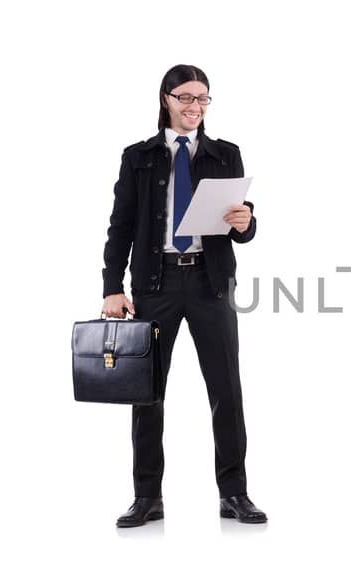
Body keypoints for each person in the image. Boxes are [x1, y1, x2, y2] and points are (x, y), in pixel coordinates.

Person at [100, 64, 265, 527]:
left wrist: (246, 222)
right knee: (146, 392)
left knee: (226, 390)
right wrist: (112, 286)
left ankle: (235, 493)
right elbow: (121, 225)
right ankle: (147, 496)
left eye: (203, 99)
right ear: (166, 99)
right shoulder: (139, 156)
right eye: (187, 98)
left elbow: (242, 228)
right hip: (155, 285)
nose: (195, 107)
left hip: (210, 284)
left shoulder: (225, 153)